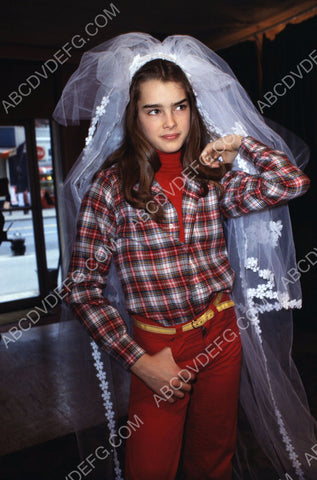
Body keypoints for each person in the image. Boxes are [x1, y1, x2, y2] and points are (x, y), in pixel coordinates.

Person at [53, 33, 317, 480]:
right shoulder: (110, 188)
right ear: (134, 118)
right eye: (154, 109)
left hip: (221, 334)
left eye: (180, 106)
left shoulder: (209, 177)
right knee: (150, 466)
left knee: (214, 457)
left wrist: (240, 145)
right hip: (157, 346)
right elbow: (81, 288)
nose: (170, 121)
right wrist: (140, 361)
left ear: (193, 110)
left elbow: (292, 181)